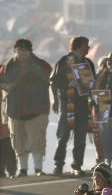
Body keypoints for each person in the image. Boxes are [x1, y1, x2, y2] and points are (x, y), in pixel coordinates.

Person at [0, 38, 52, 176]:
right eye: (19, 50)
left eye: (25, 50)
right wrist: (6, 86)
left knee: (37, 140)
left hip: (37, 108)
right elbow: (2, 82)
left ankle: (38, 168)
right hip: (15, 109)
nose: (22, 53)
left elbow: (49, 77)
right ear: (15, 51)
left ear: (30, 51)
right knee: (18, 141)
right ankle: (22, 169)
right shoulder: (7, 68)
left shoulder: (41, 65)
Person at [51, 36, 97, 176]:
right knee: (63, 136)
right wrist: (67, 86)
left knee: (80, 137)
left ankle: (77, 164)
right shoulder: (64, 61)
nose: (88, 48)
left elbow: (93, 84)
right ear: (78, 46)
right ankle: (58, 164)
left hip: (83, 104)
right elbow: (54, 82)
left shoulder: (88, 63)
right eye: (86, 45)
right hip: (68, 104)